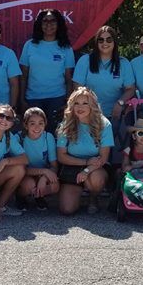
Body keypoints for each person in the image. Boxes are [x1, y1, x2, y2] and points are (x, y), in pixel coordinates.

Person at [73, 25, 136, 159]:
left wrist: (120, 103)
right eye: (100, 40)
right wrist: (89, 108)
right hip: (88, 114)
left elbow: (130, 89)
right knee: (92, 149)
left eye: (109, 39)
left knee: (110, 151)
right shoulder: (85, 61)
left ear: (115, 42)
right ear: (96, 42)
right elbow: (77, 87)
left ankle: (111, 174)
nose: (105, 43)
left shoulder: (123, 63)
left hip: (113, 115)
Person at [56, 87, 114, 215]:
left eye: (85, 103)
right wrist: (86, 162)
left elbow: (103, 158)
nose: (80, 107)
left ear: (92, 105)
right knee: (67, 209)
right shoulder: (65, 124)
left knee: (96, 179)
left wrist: (87, 169)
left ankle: (93, 198)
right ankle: (78, 193)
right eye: (76, 103)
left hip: (96, 167)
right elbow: (61, 156)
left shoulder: (104, 124)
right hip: (72, 166)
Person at [19, 9, 75, 134]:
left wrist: (68, 102)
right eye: (45, 21)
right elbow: (23, 76)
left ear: (59, 24)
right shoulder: (29, 45)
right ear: (39, 23)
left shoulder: (66, 48)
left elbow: (68, 78)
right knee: (33, 135)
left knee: (54, 134)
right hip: (33, 98)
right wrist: (21, 100)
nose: (48, 24)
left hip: (57, 99)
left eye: (53, 21)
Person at [14, 107, 59, 211]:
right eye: (32, 123)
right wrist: (44, 171)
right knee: (29, 185)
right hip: (25, 174)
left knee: (55, 186)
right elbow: (20, 170)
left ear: (45, 124)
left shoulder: (48, 137)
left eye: (41, 123)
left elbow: (54, 166)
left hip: (42, 174)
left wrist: (44, 178)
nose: (37, 127)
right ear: (25, 125)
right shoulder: (19, 139)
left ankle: (39, 196)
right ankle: (20, 196)